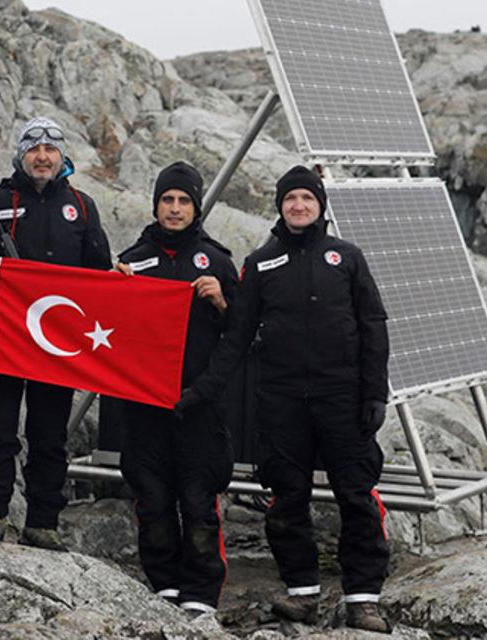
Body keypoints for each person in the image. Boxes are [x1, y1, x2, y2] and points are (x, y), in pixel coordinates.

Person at [177, 165, 393, 633]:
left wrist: (376, 393)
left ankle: (363, 599)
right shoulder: (260, 263)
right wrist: (203, 390)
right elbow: (236, 337)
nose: (298, 206)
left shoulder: (347, 257)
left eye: (307, 198)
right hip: (281, 401)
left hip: (342, 398)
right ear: (280, 207)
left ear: (320, 205)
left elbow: (374, 327)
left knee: (356, 495)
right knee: (287, 498)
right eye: (290, 198)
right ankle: (302, 593)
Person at [0, 116, 112, 550]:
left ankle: (42, 522)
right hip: (7, 338)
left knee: (50, 436)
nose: (43, 156)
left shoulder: (82, 206)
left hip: (57, 343)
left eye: (50, 149)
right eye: (34, 149)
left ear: (61, 156)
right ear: (21, 155)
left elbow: (100, 274)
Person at [114, 161, 238, 616]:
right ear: (155, 205)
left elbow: (243, 335)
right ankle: (164, 584)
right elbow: (108, 331)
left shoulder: (217, 262)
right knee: (152, 498)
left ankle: (202, 592)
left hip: (199, 406)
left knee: (199, 501)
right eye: (167, 199)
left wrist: (222, 301)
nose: (174, 208)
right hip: (144, 404)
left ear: (196, 208)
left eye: (184, 200)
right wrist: (114, 290)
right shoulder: (131, 261)